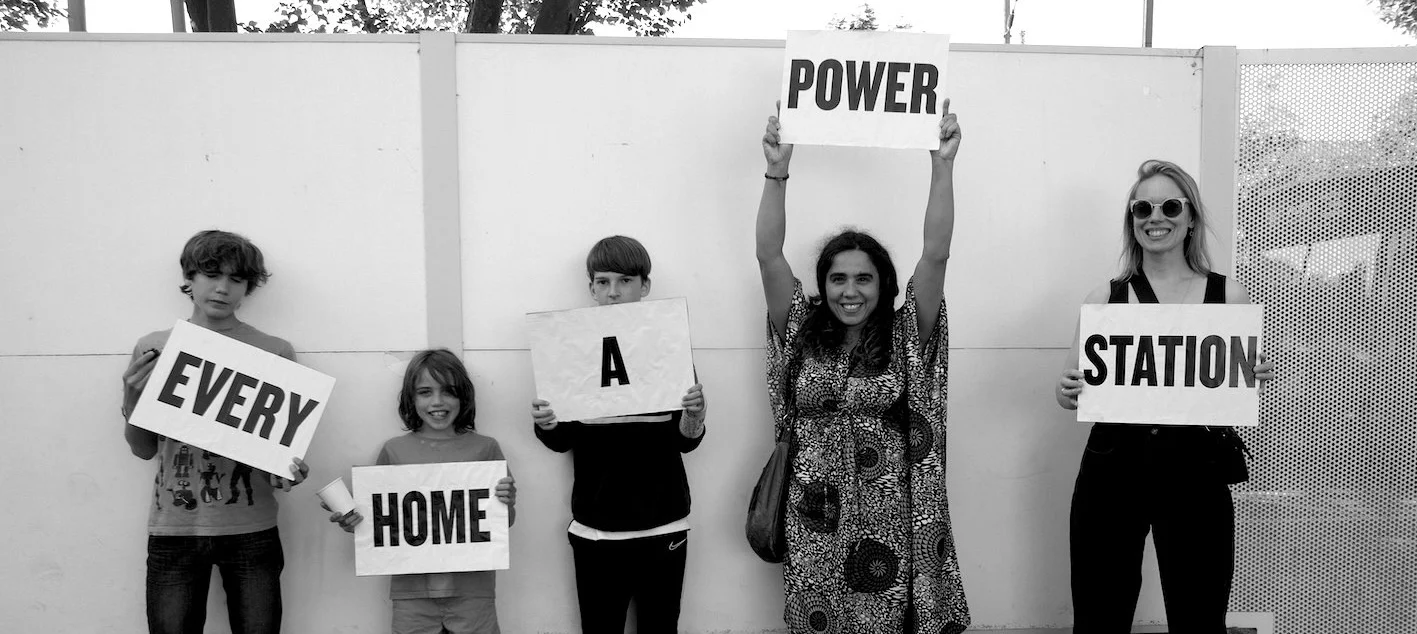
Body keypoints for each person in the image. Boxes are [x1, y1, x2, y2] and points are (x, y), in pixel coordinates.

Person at [756, 102, 971, 634]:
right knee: (818, 621)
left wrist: (941, 166)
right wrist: (776, 173)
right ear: (823, 285)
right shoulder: (801, 330)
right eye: (838, 279)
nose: (850, 290)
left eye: (864, 278)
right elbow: (768, 256)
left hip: (890, 511)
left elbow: (937, 254)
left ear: (884, 284)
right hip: (813, 510)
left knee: (883, 622)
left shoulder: (905, 334)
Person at [1054, 159, 1277, 634]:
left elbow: (1242, 378)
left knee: (1199, 614)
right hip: (1113, 463)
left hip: (1196, 467)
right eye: (1143, 208)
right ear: (1132, 221)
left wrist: (1256, 374)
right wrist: (1066, 389)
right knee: (1099, 614)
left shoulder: (1228, 298)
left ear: (1190, 216)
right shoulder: (1105, 298)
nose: (1156, 217)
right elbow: (1071, 387)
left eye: (1170, 206)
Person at [120, 229, 310, 634]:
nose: (222, 288)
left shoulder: (274, 351)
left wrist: (288, 469)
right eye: (211, 274)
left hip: (251, 527)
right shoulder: (155, 347)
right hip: (174, 526)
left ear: (248, 288)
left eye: (236, 279)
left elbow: (279, 459)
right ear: (189, 278)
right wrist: (132, 396)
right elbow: (142, 450)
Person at [529, 235, 708, 634]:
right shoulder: (568, 349)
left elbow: (686, 440)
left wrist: (695, 414)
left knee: (661, 628)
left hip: (663, 526)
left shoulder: (669, 347)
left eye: (625, 281)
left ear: (644, 286)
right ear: (591, 289)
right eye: (603, 282)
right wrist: (546, 422)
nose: (614, 292)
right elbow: (561, 441)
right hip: (596, 528)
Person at [329, 348, 518, 634]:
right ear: (411, 398)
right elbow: (379, 524)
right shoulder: (394, 450)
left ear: (463, 396)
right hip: (412, 593)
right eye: (425, 392)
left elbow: (504, 522)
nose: (437, 402)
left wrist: (507, 502)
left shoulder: (486, 449)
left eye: (449, 392)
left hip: (473, 590)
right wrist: (352, 521)